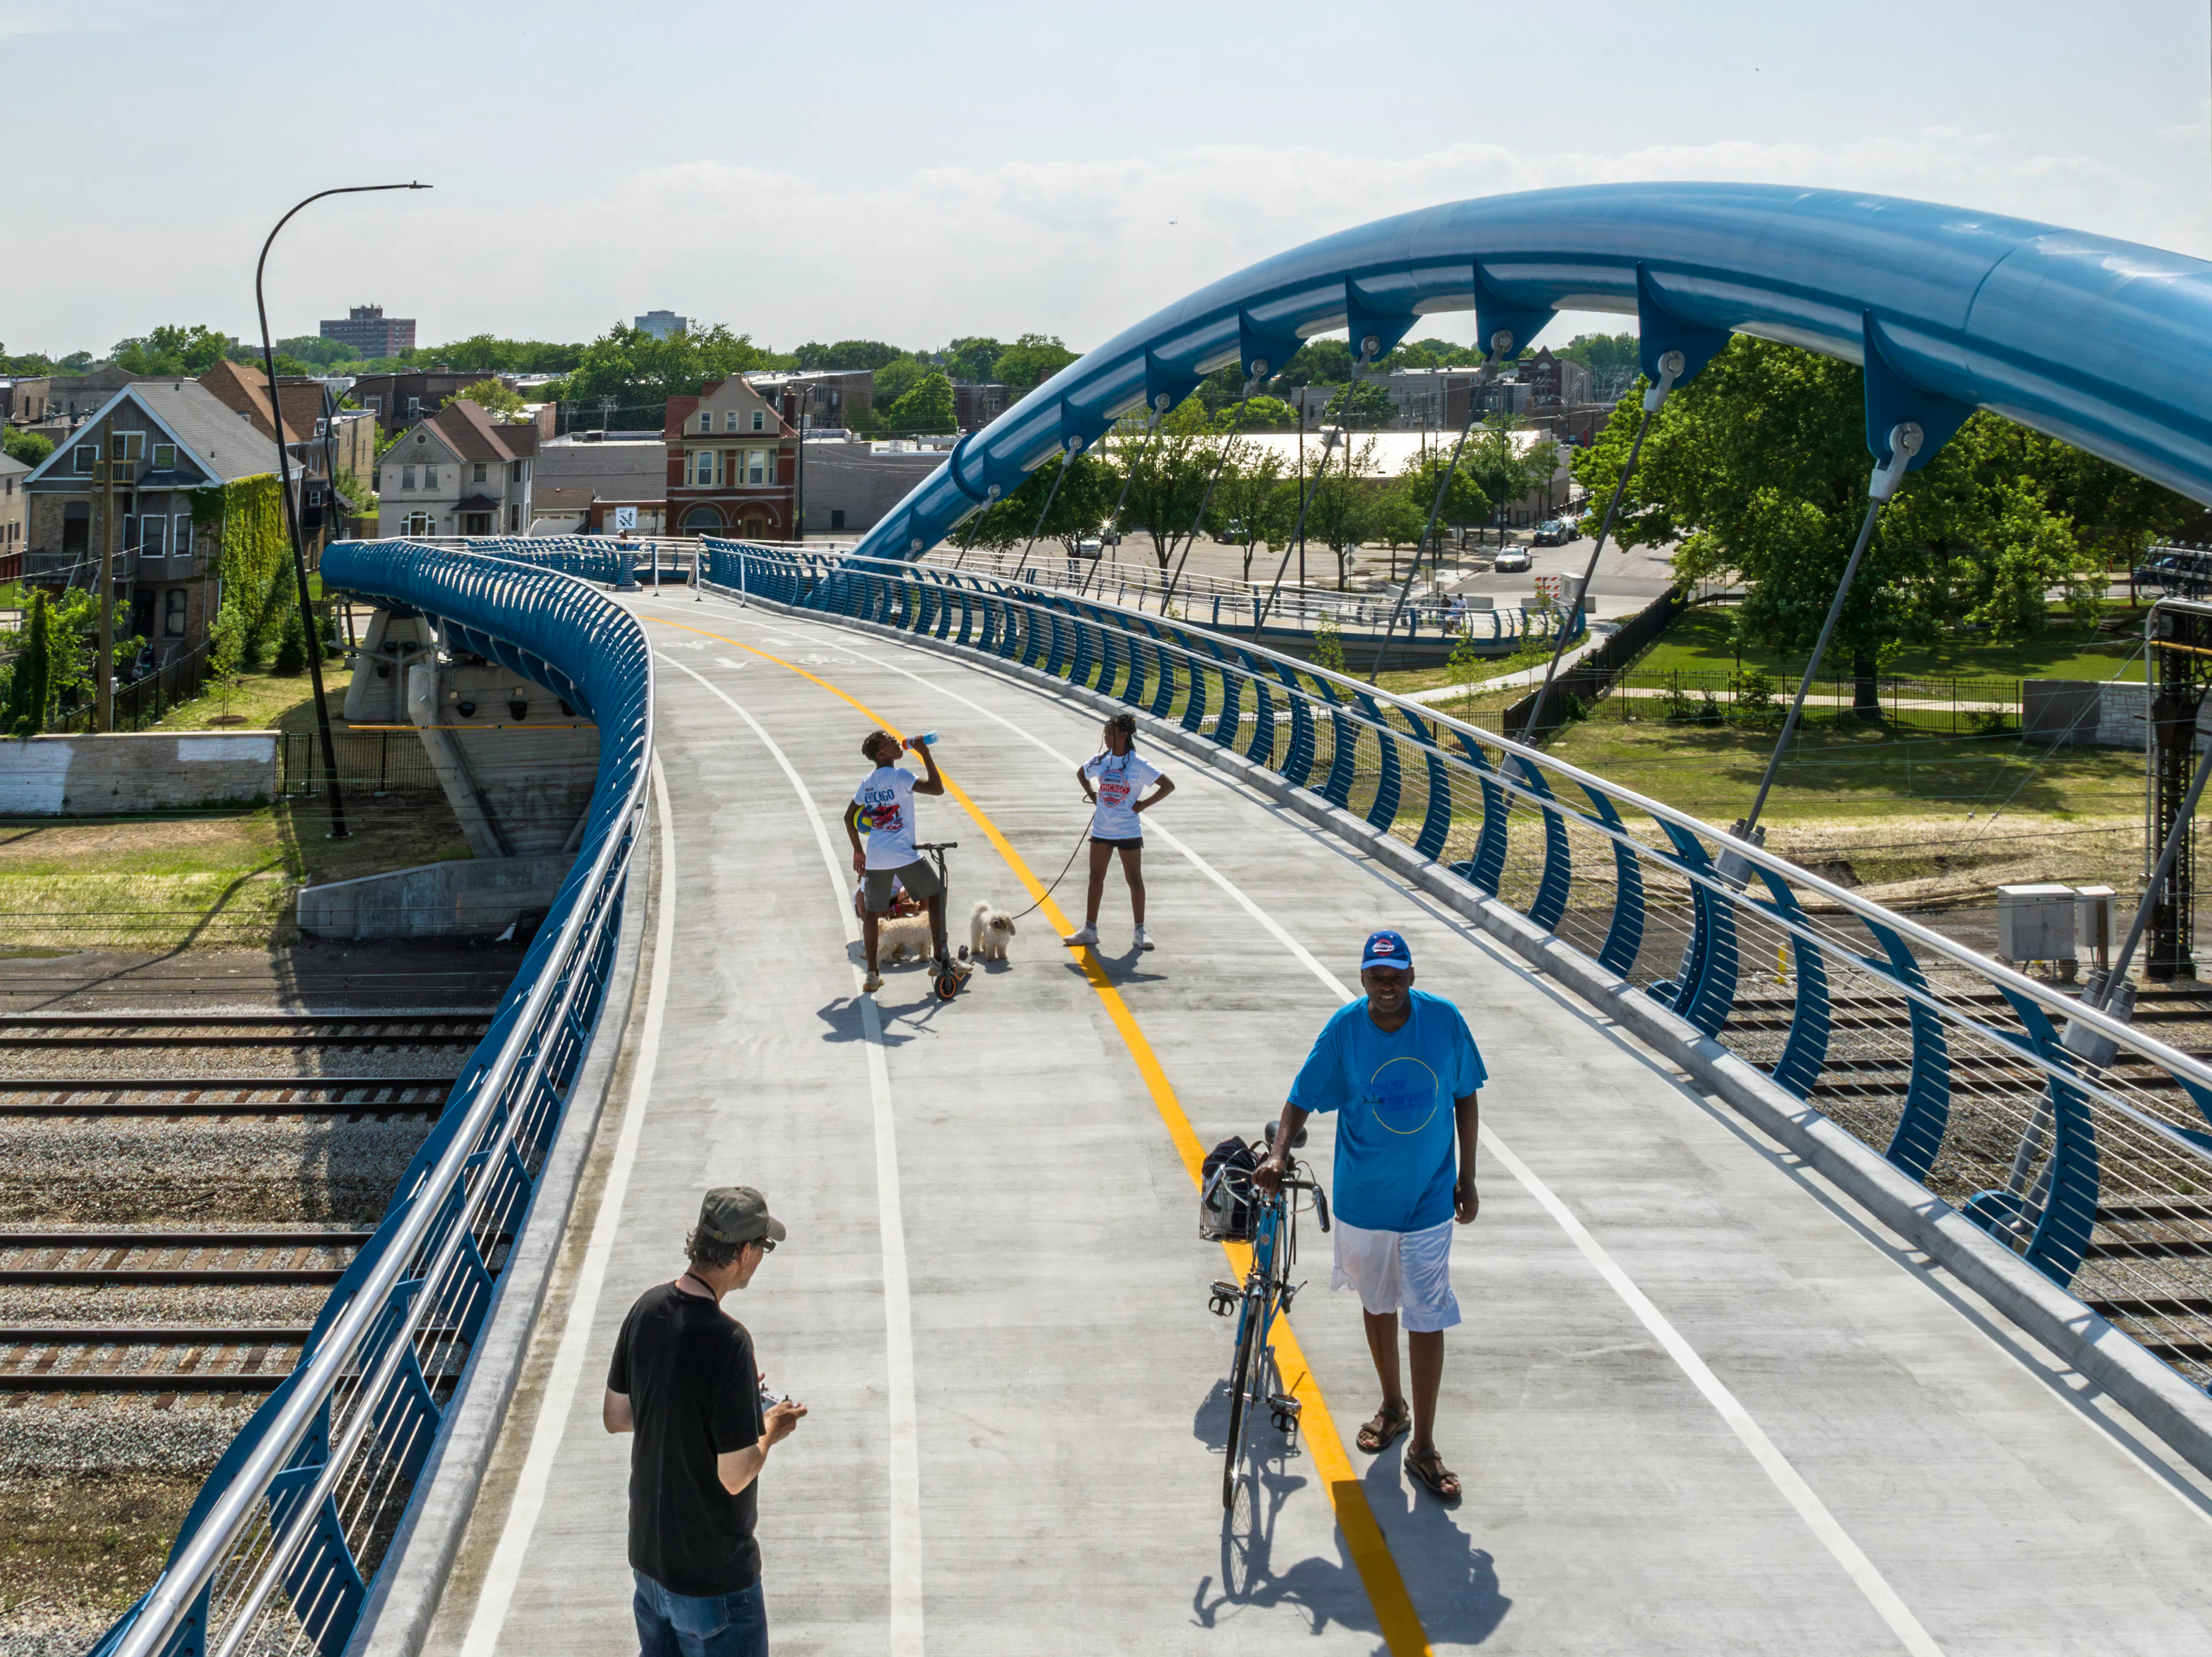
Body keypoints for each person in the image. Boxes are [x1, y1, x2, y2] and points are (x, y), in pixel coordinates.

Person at [1255, 930, 1483, 1503]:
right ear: (1363, 978)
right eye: (1377, 976)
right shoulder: (1345, 1029)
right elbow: (1300, 1096)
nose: (1387, 986)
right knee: (1378, 1303)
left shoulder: (1445, 1020)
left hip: (1430, 1198)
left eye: (1397, 975)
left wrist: (1468, 1176)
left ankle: (1424, 1444)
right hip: (1364, 1200)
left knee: (1428, 1312)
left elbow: (1465, 1095)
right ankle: (1393, 1404)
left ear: (1412, 974)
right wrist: (1279, 1153)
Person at [605, 1186, 806, 1657]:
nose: (761, 1257)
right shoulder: (729, 1341)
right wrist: (771, 1426)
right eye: (763, 1246)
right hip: (713, 1581)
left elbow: (617, 1416)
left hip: (651, 1569)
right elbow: (734, 1475)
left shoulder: (646, 1308)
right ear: (741, 1253)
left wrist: (713, 1402)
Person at [843, 728, 948, 993]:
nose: (897, 742)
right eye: (891, 742)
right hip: (902, 852)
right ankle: (939, 958)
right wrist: (925, 753)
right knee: (935, 894)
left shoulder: (867, 782)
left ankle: (872, 974)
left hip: (877, 856)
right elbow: (937, 789)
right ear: (882, 754)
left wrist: (859, 851)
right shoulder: (900, 775)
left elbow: (848, 817)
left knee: (872, 912)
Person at [1062, 712, 1175, 954]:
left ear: (1124, 734)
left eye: (1110, 733)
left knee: (1134, 879)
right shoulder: (1101, 760)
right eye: (1105, 733)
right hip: (1102, 829)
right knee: (1095, 878)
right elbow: (1082, 773)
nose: (1106, 737)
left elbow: (1168, 786)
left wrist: (1143, 805)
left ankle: (1140, 931)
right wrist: (1093, 795)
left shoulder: (1138, 763)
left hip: (1128, 830)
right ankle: (1090, 929)